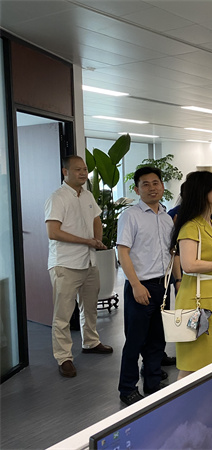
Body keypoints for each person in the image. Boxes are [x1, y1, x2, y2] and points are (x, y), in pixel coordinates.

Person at [116, 167, 181, 406]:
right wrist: (135, 285)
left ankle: (153, 382)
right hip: (140, 286)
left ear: (162, 186)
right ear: (136, 189)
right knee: (135, 341)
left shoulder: (166, 217)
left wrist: (178, 281)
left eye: (156, 183)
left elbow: (172, 252)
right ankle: (127, 389)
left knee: (157, 339)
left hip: (162, 286)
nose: (152, 188)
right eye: (145, 184)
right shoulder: (130, 216)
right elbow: (123, 252)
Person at [45, 155, 113, 378]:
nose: (83, 173)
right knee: (63, 314)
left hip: (89, 261)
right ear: (65, 172)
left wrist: (97, 240)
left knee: (90, 307)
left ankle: (91, 342)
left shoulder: (87, 195)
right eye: (77, 170)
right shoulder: (57, 198)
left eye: (85, 169)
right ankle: (63, 357)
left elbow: (96, 219)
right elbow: (53, 232)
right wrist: (87, 241)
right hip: (65, 263)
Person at [170, 171, 212, 380]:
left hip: (211, 295)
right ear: (203, 192)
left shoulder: (209, 223)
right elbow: (188, 264)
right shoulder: (191, 226)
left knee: (211, 359)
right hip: (196, 299)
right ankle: (181, 399)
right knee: (192, 362)